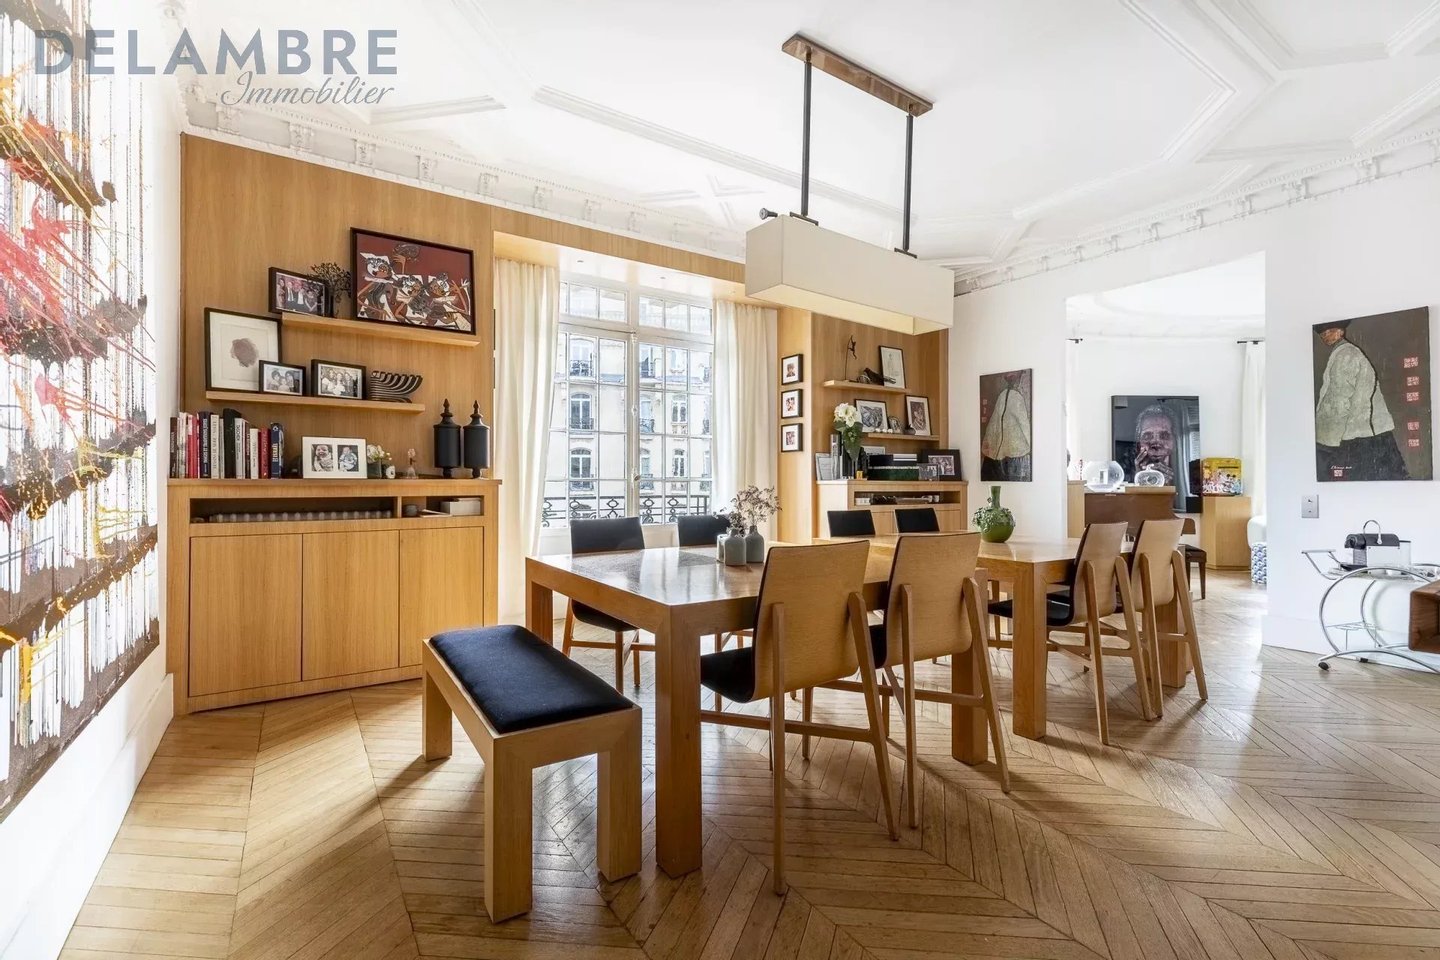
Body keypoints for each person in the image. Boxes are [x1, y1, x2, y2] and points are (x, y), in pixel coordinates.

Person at [1314, 319, 1408, 480]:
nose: (1325, 336)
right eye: (1322, 334)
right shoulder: (1347, 353)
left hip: (1357, 433)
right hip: (1371, 430)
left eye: (1329, 331)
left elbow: (1339, 398)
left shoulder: (1346, 355)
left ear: (1341, 331)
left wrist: (1327, 436)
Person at [981, 372, 1031, 481]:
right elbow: (1024, 423)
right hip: (1013, 453)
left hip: (1004, 453)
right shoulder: (1014, 397)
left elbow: (993, 424)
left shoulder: (1003, 395)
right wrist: (1031, 445)